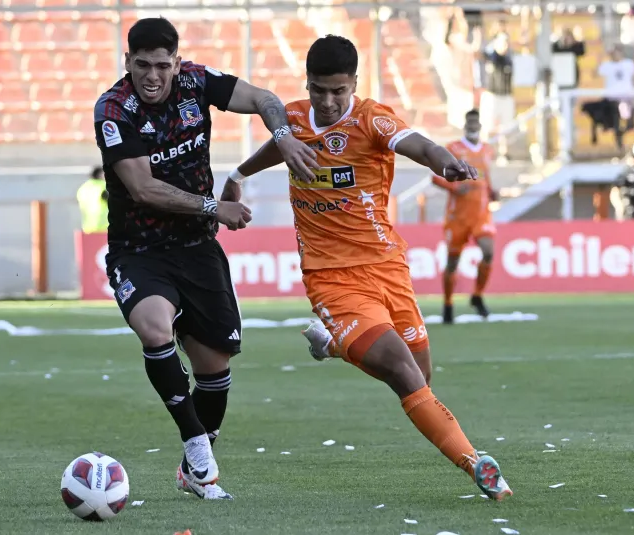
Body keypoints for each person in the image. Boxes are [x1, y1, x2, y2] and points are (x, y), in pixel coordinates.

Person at [222, 35, 513, 501]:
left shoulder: (371, 118)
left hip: (387, 267)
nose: (329, 100)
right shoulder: (292, 119)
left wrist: (444, 161)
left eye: (339, 90)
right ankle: (476, 463)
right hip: (331, 278)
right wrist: (238, 176)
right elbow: (281, 148)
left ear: (354, 83)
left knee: (421, 376)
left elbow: (414, 142)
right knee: (401, 372)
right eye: (319, 90)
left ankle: (335, 342)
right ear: (308, 84)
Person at [93, 17, 318, 501]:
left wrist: (283, 137)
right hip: (140, 250)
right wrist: (217, 207)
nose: (152, 76)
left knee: (214, 369)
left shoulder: (197, 81)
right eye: (141, 65)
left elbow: (264, 99)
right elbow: (143, 188)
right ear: (126, 62)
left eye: (161, 65)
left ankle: (193, 467)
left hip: (197, 248)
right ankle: (196, 442)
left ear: (176, 62)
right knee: (155, 327)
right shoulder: (114, 110)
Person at [431, 109, 497, 324]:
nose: (473, 125)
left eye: (476, 122)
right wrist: (455, 187)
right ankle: (448, 304)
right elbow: (436, 177)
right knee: (453, 262)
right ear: (465, 124)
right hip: (457, 216)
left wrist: (492, 189)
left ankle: (477, 296)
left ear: (480, 124)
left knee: (488, 252)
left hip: (481, 214)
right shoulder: (453, 148)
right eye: (469, 121)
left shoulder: (488, 149)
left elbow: (486, 176)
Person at [76, 166, 109, 234]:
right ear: (100, 175)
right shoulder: (104, 187)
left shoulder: (83, 188)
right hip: (104, 226)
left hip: (88, 227)